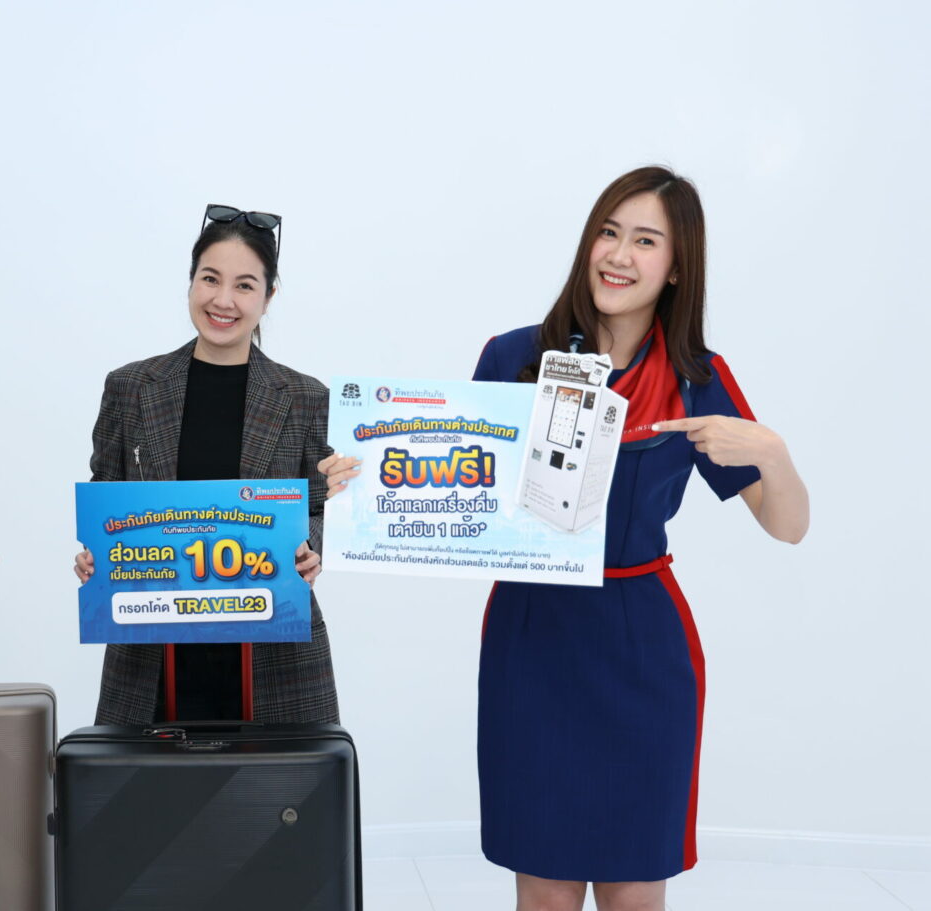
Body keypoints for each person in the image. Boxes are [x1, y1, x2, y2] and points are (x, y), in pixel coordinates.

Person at [322, 166, 808, 911]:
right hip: (534, 637)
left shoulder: (696, 377)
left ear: (677, 267)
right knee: (545, 891)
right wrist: (362, 482)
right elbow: (449, 485)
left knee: (633, 892)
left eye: (645, 241)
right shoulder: (513, 357)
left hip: (641, 644)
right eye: (609, 233)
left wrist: (772, 452)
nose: (619, 254)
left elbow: (787, 525)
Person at [74, 205, 339, 725]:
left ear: (268, 297)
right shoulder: (131, 388)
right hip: (150, 651)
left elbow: (322, 508)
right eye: (210, 279)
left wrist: (311, 546)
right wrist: (94, 553)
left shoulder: (305, 397)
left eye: (245, 286)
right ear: (191, 282)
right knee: (144, 778)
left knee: (277, 780)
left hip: (274, 653)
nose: (223, 300)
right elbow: (106, 493)